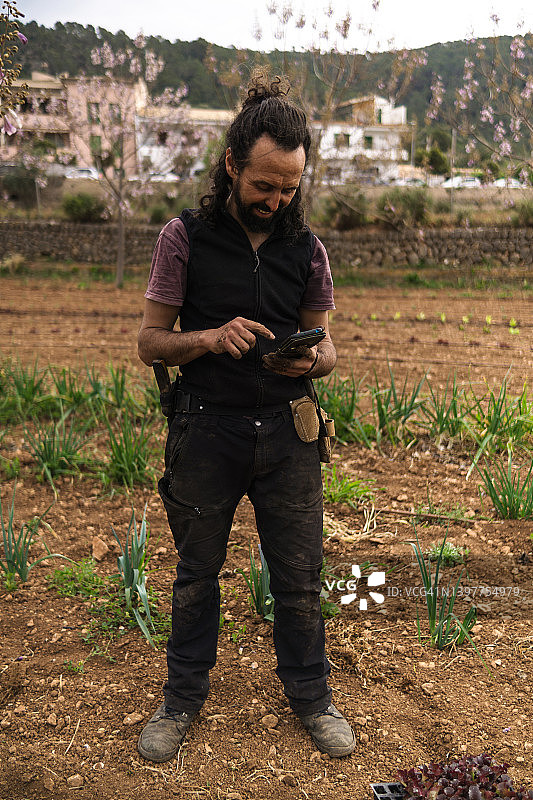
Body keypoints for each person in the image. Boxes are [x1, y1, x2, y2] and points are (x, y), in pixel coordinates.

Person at [136, 74, 355, 763]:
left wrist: (308, 364)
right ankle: (180, 700)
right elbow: (150, 341)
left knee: (298, 576)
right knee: (197, 573)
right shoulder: (185, 238)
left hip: (287, 432)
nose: (276, 200)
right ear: (231, 165)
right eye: (263, 184)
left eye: (289, 188)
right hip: (205, 428)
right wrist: (205, 338)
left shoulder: (306, 249)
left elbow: (328, 349)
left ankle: (312, 699)